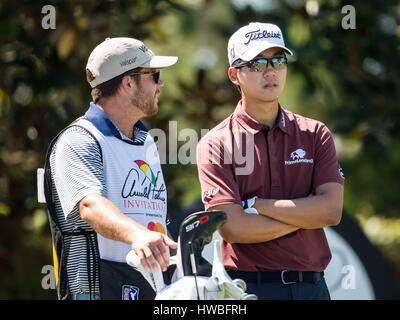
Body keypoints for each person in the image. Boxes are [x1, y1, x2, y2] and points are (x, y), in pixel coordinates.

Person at [196, 22, 345, 300]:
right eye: (256, 64)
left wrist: (259, 206)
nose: (270, 71)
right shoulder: (216, 144)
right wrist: (306, 215)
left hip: (313, 288)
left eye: (278, 60)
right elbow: (234, 228)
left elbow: (331, 211)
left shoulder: (315, 134)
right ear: (234, 74)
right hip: (250, 289)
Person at [43, 37, 178, 300]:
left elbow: (152, 221)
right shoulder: (79, 138)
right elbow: (90, 207)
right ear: (128, 82)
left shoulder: (146, 141)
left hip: (153, 291)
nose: (160, 84)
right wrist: (138, 235)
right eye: (154, 75)